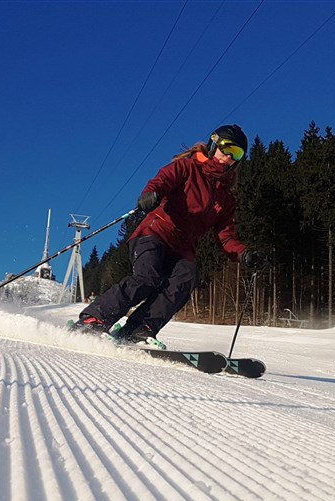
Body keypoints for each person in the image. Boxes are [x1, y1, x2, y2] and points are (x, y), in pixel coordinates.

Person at [72, 124, 267, 346]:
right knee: (148, 277)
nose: (228, 157)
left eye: (237, 154)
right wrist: (151, 193)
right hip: (154, 233)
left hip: (183, 249)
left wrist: (244, 254)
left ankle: (138, 329)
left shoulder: (225, 199)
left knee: (186, 278)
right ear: (214, 145)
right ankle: (93, 319)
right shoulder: (187, 167)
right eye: (226, 148)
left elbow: (225, 236)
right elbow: (162, 180)